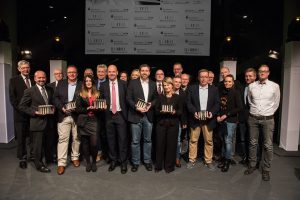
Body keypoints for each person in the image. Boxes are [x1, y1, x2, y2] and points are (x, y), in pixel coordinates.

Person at [244, 64, 280, 181]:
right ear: (258, 73)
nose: (262, 73)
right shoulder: (252, 86)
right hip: (253, 118)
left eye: (265, 71)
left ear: (268, 73)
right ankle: (252, 165)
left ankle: (266, 170)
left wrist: (268, 113)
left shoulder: (275, 86)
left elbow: (276, 103)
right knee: (253, 143)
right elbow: (249, 100)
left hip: (268, 119)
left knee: (268, 145)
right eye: (260, 71)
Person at [18, 70, 54, 173]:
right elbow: (22, 106)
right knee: (37, 146)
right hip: (37, 122)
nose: (42, 79)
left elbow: (51, 103)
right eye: (39, 78)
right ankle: (39, 165)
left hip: (49, 122)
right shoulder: (29, 91)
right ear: (35, 79)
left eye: (43, 77)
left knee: (47, 143)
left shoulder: (49, 89)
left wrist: (53, 108)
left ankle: (47, 159)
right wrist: (35, 112)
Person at [186, 69, 220, 170]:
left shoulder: (214, 89)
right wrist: (194, 112)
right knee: (193, 140)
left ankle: (208, 160)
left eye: (206, 77)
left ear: (208, 78)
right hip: (195, 119)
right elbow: (188, 103)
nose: (204, 79)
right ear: (198, 77)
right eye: (202, 77)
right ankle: (192, 160)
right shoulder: (192, 88)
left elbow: (217, 104)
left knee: (208, 141)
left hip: (208, 120)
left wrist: (212, 113)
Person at [126, 64, 157, 172]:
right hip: (136, 115)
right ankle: (135, 162)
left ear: (149, 72)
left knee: (148, 140)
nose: (144, 72)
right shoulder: (133, 83)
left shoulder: (153, 84)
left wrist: (150, 105)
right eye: (142, 70)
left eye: (146, 70)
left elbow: (156, 99)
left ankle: (147, 161)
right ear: (139, 72)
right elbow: (128, 98)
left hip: (148, 116)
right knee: (135, 141)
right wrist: (136, 107)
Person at [100, 65, 128, 174]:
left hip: (121, 115)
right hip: (108, 116)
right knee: (110, 140)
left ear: (117, 73)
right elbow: (100, 100)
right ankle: (113, 161)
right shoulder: (102, 85)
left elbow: (128, 99)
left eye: (113, 71)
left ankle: (123, 162)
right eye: (110, 72)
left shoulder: (124, 84)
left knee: (122, 139)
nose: (111, 73)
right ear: (107, 73)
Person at [54, 65, 82, 175]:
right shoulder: (60, 83)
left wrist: (78, 107)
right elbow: (55, 98)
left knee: (76, 138)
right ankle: (61, 163)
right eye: (70, 72)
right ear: (67, 74)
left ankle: (75, 157)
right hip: (63, 115)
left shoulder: (81, 84)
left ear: (77, 73)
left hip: (77, 116)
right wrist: (61, 107)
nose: (72, 74)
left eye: (74, 72)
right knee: (63, 139)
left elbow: (85, 98)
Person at [9, 60, 34, 169]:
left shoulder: (33, 79)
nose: (26, 69)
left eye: (27, 67)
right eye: (23, 68)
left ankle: (33, 155)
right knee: (21, 137)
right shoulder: (14, 80)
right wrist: (23, 110)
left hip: (33, 114)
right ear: (19, 69)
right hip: (20, 114)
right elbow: (13, 99)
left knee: (33, 136)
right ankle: (23, 157)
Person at [155, 77, 182, 173]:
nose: (166, 87)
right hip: (161, 124)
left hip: (173, 125)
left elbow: (180, 111)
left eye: (168, 85)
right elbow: (156, 111)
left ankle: (169, 166)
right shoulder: (159, 97)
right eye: (164, 85)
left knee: (171, 146)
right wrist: (161, 111)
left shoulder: (177, 97)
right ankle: (158, 166)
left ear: (172, 85)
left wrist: (175, 112)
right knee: (159, 145)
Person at [216, 74, 243, 172]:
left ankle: (227, 161)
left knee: (228, 141)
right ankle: (223, 159)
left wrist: (226, 115)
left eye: (229, 81)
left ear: (233, 82)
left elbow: (240, 107)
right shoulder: (221, 92)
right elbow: (219, 106)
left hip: (231, 121)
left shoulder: (236, 93)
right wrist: (218, 115)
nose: (227, 83)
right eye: (225, 81)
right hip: (222, 120)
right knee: (223, 140)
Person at [76, 75, 101, 172]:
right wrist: (87, 109)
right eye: (86, 81)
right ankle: (88, 163)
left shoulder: (98, 93)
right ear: (84, 83)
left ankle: (94, 162)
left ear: (93, 82)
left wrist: (97, 109)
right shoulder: (80, 93)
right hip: (84, 121)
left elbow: (101, 106)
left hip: (94, 120)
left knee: (94, 144)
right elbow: (77, 109)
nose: (88, 82)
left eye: (90, 81)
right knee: (85, 143)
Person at [238, 68, 258, 165]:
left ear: (255, 76)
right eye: (246, 76)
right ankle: (246, 157)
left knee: (253, 140)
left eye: (250, 76)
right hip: (243, 118)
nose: (248, 78)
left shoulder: (258, 88)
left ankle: (254, 160)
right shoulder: (243, 87)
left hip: (254, 117)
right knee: (243, 139)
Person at [47, 68, 63, 163]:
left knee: (63, 135)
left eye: (60, 73)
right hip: (52, 115)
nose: (58, 75)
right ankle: (54, 153)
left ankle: (65, 152)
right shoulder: (49, 86)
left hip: (63, 113)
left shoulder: (66, 84)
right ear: (54, 75)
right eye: (56, 74)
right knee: (53, 135)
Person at [173, 76, 188, 167]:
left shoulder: (184, 94)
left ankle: (177, 158)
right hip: (168, 120)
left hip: (178, 120)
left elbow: (185, 110)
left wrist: (184, 122)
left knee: (178, 140)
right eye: (176, 81)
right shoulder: (167, 91)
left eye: (179, 82)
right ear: (173, 82)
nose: (178, 83)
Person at [95, 64, 109, 162]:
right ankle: (99, 153)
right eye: (99, 71)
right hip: (95, 113)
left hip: (107, 113)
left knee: (106, 134)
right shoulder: (93, 83)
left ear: (106, 73)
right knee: (97, 134)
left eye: (102, 72)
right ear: (96, 73)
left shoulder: (110, 83)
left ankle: (107, 153)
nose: (100, 73)